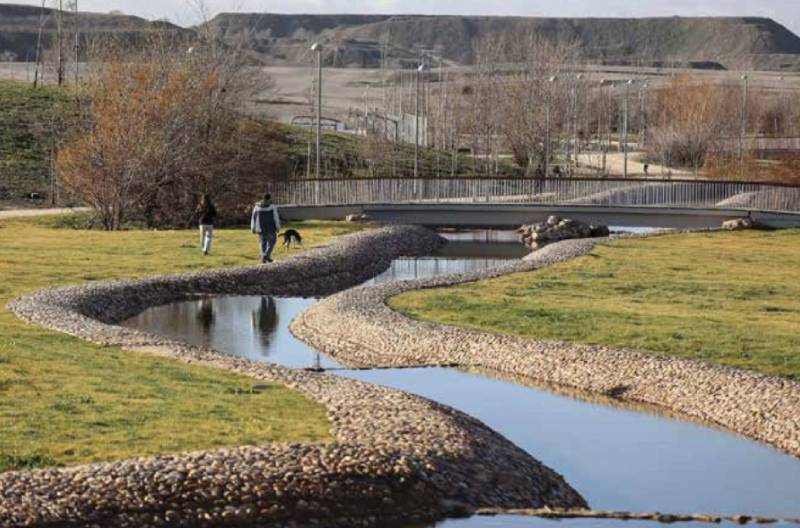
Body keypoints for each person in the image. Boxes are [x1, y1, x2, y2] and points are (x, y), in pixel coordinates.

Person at [251, 193, 281, 263]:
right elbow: (276, 217)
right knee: (272, 242)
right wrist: (278, 227)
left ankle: (264, 257)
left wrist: (252, 227)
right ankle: (266, 255)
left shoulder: (256, 207)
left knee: (262, 242)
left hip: (260, 228)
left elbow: (253, 217)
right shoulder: (272, 207)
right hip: (271, 227)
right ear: (269, 199)